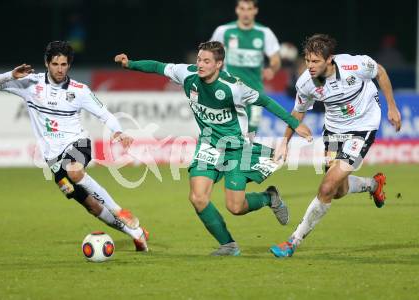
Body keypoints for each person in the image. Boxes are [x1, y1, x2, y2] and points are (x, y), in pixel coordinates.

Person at [114, 41, 312, 256]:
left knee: (235, 207)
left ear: (219, 64)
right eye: (199, 59)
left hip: (236, 149)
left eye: (206, 61)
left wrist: (295, 124)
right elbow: (158, 67)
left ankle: (269, 197)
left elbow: (266, 101)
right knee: (197, 197)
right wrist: (130, 63)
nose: (200, 64)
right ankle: (228, 245)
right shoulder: (187, 74)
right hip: (208, 144)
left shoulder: (234, 87)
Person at [0, 41, 149, 251]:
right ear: (47, 63)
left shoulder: (79, 90)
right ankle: (136, 233)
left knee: (75, 171)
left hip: (78, 143)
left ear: (69, 65)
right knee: (92, 207)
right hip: (53, 160)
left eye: (64, 64)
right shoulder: (29, 84)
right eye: (55, 64)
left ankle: (118, 210)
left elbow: (105, 114)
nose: (59, 69)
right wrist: (10, 75)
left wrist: (118, 131)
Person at [270, 34, 402, 257]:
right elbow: (298, 113)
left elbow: (380, 71)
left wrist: (392, 107)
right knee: (337, 191)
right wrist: (284, 142)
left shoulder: (354, 65)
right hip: (334, 130)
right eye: (308, 61)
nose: (310, 66)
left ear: (329, 59)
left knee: (326, 187)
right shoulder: (305, 82)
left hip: (363, 126)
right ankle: (373, 184)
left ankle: (293, 241)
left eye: (315, 62)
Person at [210, 0, 281, 134]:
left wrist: (272, 69)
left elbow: (275, 59)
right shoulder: (223, 31)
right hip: (230, 88)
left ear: (255, 11)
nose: (245, 13)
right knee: (231, 127)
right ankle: (228, 153)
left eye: (249, 9)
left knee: (252, 129)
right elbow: (210, 54)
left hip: (255, 90)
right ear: (237, 10)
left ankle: (246, 153)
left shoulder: (264, 32)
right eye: (242, 8)